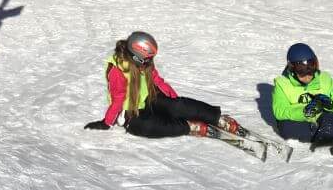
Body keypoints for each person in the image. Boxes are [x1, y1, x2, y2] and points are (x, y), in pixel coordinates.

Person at [84, 31, 243, 138]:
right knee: (147, 126)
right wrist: (106, 122)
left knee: (177, 106)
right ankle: (188, 126)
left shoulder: (144, 63)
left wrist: (175, 103)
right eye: (147, 60)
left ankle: (217, 118)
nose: (150, 63)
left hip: (148, 98)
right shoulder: (117, 71)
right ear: (137, 57)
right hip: (130, 111)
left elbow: (157, 80)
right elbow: (118, 99)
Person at [271, 43, 333, 151]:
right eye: (302, 73)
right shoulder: (282, 83)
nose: (307, 77)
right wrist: (303, 112)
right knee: (287, 127)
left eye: (310, 71)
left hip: (323, 117)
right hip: (299, 120)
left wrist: (331, 104)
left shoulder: (324, 79)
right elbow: (279, 111)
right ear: (292, 69)